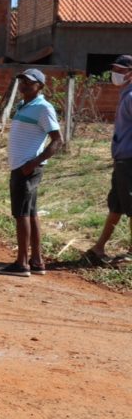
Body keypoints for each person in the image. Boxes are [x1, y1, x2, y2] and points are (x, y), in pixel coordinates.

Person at [0, 68, 62, 277]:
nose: (24, 84)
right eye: (22, 80)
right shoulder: (23, 105)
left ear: (40, 86)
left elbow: (57, 140)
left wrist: (32, 163)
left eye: (29, 82)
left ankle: (22, 262)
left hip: (27, 168)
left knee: (21, 214)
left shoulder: (43, 107)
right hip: (21, 166)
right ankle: (37, 261)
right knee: (31, 213)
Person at [84, 55, 132, 268]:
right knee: (117, 204)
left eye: (121, 71)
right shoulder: (125, 94)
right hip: (122, 158)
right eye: (116, 69)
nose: (117, 74)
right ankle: (99, 248)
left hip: (129, 159)